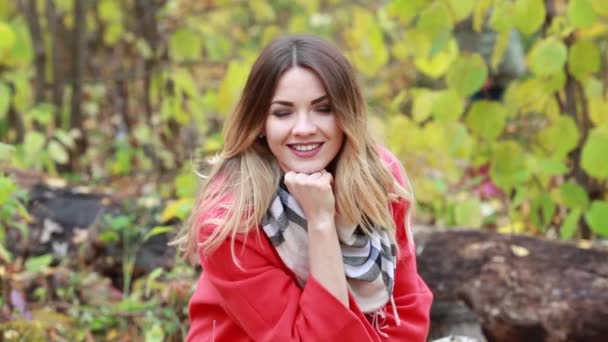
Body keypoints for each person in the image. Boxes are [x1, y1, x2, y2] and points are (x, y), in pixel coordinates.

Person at [173, 34, 433, 341]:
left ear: (346, 113)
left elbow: (405, 308)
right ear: (260, 123)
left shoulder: (378, 177)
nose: (304, 128)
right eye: (283, 113)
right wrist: (320, 221)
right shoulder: (231, 220)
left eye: (323, 109)